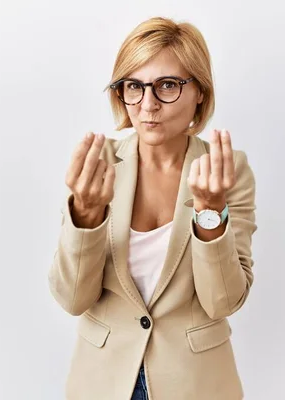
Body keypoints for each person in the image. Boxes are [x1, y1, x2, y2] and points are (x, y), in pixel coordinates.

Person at [48, 16, 258, 400]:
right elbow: (72, 298)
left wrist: (210, 210)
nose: (147, 105)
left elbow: (223, 301)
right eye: (134, 86)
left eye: (167, 85)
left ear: (200, 92)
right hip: (102, 383)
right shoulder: (100, 165)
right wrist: (86, 216)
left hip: (196, 383)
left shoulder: (228, 171)